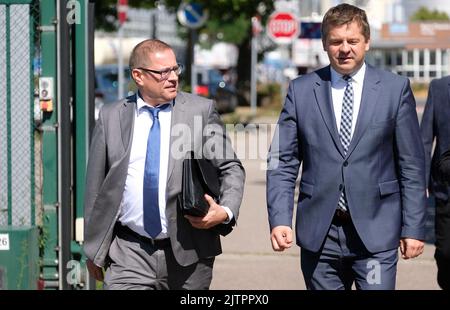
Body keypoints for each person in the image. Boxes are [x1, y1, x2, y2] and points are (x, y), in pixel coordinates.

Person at [266, 3, 426, 290]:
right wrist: (279, 219)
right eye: (336, 41)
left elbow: (411, 165)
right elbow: (282, 161)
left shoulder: (395, 89)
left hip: (377, 235)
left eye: (352, 41)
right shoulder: (300, 91)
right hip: (320, 236)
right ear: (325, 44)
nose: (345, 49)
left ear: (367, 42)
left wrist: (414, 227)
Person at [83, 39, 245, 290]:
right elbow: (95, 187)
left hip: (189, 252)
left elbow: (230, 167)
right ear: (138, 76)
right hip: (129, 253)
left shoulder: (200, 112)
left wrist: (225, 211)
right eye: (163, 72)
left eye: (175, 69)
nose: (173, 77)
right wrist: (93, 247)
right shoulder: (111, 116)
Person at [421, 76, 450, 290]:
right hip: (445, 191)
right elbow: (424, 139)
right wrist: (418, 182)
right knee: (445, 254)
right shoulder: (439, 88)